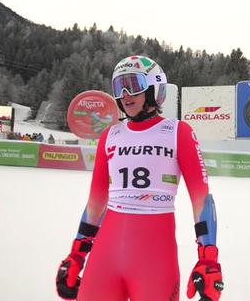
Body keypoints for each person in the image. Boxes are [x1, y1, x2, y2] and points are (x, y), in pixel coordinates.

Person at [56, 55, 224, 301]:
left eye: (133, 85)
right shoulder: (110, 135)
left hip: (154, 260)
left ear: (155, 88)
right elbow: (95, 202)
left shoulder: (178, 132)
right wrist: (77, 254)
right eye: (118, 87)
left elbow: (202, 200)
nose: (124, 94)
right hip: (105, 258)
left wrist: (208, 259)